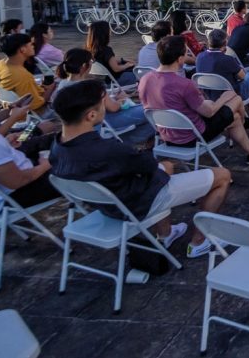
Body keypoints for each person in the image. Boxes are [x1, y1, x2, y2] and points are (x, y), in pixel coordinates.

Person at [50, 79, 232, 258]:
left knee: (163, 169)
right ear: (90, 115)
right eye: (103, 104)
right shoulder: (107, 150)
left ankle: (166, 234)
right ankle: (200, 242)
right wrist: (162, 167)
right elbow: (148, 166)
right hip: (138, 202)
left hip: (107, 204)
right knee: (222, 176)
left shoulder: (57, 148)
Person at [139, 36, 249, 164]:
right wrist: (223, 98)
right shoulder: (184, 84)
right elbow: (209, 112)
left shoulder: (145, 79)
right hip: (193, 136)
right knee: (234, 98)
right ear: (180, 59)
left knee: (234, 118)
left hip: (166, 135)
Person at [0, 71, 59, 215]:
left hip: (12, 152)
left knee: (51, 134)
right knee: (78, 166)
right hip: (11, 195)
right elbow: (18, 181)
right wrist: (45, 165)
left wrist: (6, 141)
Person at [53, 48, 151, 141]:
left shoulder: (62, 84)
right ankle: (127, 142)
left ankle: (124, 141)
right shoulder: (92, 87)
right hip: (102, 122)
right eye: (90, 62)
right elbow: (114, 108)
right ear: (84, 66)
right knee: (150, 110)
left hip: (80, 126)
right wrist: (122, 100)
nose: (91, 65)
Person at [196, 30, 249, 119]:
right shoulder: (227, 59)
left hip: (209, 94)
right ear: (225, 42)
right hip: (231, 94)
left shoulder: (199, 57)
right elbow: (242, 76)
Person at [0, 33, 56, 113]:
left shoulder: (0, 64)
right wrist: (50, 88)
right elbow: (35, 105)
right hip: (29, 114)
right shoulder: (22, 75)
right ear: (23, 50)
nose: (33, 46)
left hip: (8, 106)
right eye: (30, 44)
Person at [86, 21, 135, 86]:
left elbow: (106, 60)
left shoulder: (89, 50)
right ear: (104, 34)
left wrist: (122, 60)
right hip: (112, 81)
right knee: (137, 74)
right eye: (109, 30)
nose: (110, 32)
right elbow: (116, 69)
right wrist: (127, 65)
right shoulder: (106, 50)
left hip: (100, 80)